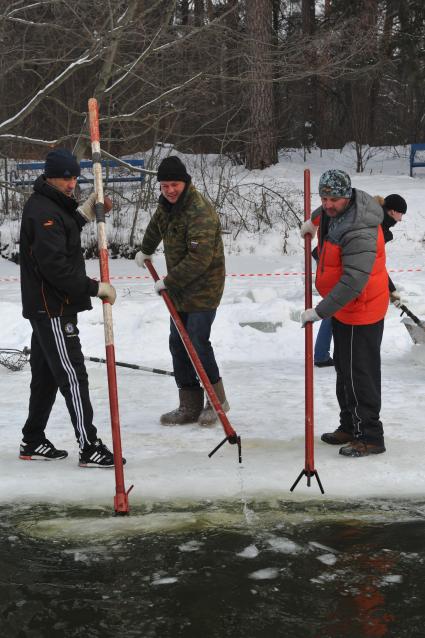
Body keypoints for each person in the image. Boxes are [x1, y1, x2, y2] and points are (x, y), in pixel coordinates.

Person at [19, 148, 122, 467]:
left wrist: (88, 210)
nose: (71, 183)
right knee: (73, 376)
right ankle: (89, 445)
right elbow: (55, 267)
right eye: (66, 178)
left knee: (47, 376)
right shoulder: (42, 211)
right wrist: (95, 288)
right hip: (52, 309)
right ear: (50, 177)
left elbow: (66, 227)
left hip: (48, 307)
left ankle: (32, 440)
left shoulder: (51, 205)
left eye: (75, 177)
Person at [300, 169, 389, 457]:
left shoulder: (360, 230)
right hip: (344, 308)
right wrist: (312, 223)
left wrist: (319, 312)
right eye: (324, 198)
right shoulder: (336, 209)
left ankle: (371, 436)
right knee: (344, 370)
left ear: (347, 196)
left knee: (360, 374)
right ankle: (350, 425)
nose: (328, 204)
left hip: (361, 308)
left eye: (333, 199)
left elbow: (353, 281)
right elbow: (323, 212)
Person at [135, 156, 229, 426]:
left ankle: (217, 401)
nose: (170, 190)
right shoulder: (166, 206)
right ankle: (189, 404)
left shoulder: (199, 211)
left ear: (185, 183)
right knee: (178, 344)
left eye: (174, 184)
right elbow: (156, 226)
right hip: (179, 289)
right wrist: (146, 249)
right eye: (164, 186)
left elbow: (199, 260)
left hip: (203, 288)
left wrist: (169, 281)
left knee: (198, 343)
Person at [312, 192, 407, 367]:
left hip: (334, 258)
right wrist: (390, 289)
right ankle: (322, 355)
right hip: (338, 262)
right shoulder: (377, 226)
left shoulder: (367, 213)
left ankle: (321, 354)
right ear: (393, 211)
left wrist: (390, 289)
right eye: (401, 214)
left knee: (335, 307)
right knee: (336, 307)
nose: (401, 219)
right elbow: (367, 265)